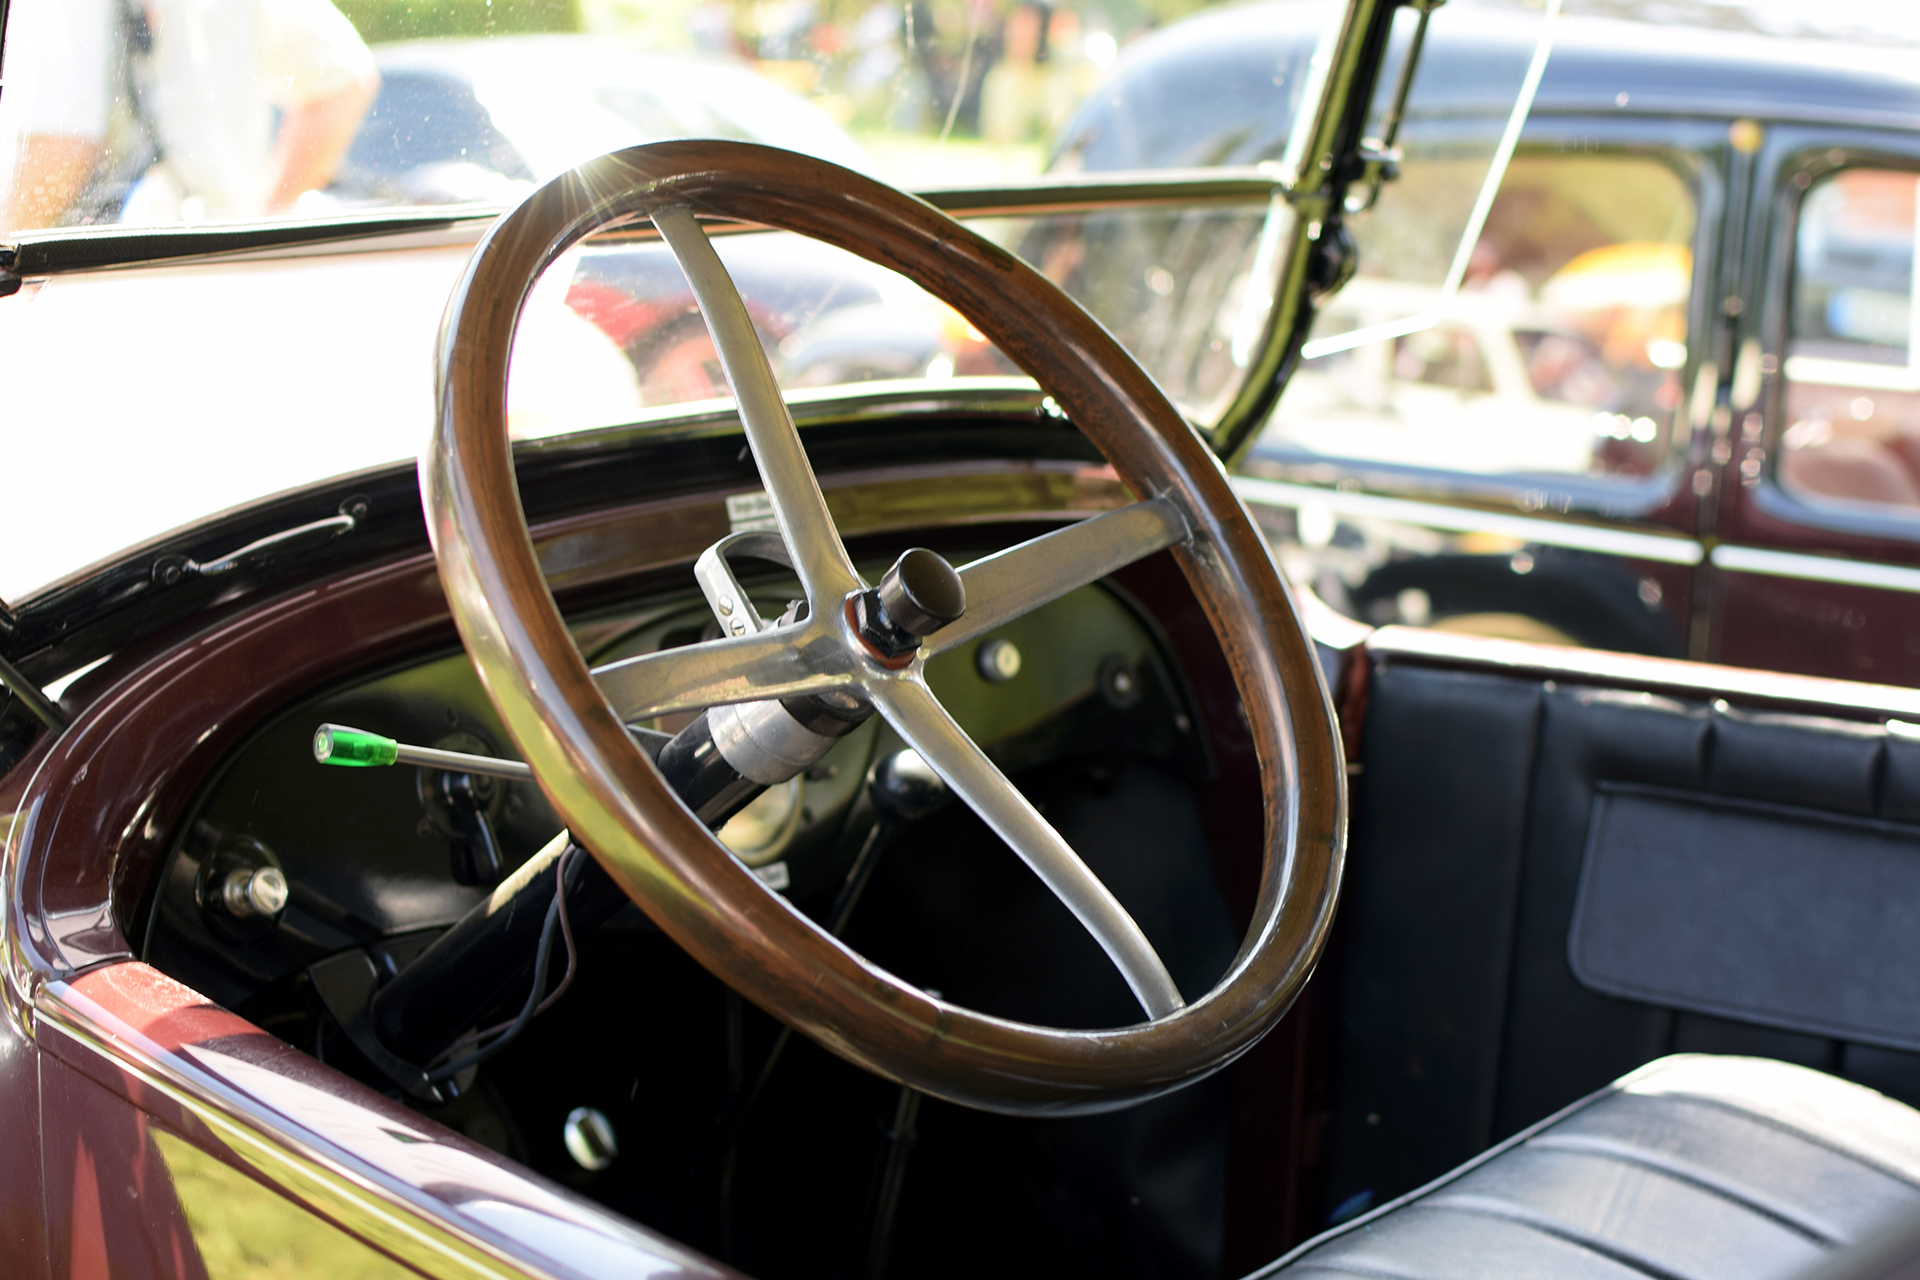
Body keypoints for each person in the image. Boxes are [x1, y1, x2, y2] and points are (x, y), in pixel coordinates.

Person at [0, 0, 378, 232]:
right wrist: (254, 227)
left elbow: (59, 151)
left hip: (117, 285)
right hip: (224, 278)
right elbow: (344, 85)